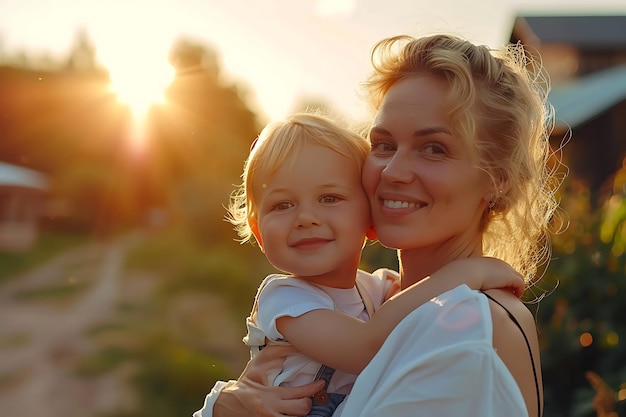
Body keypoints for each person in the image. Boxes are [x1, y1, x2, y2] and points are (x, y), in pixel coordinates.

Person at [197, 32, 563, 417]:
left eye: (433, 148)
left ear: (497, 178)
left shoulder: (465, 329)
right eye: (384, 144)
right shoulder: (388, 300)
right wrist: (224, 405)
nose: (394, 171)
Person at [205, 112, 523, 417]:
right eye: (282, 205)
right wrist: (464, 274)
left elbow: (402, 302)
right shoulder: (284, 298)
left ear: (370, 218)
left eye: (329, 198)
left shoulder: (377, 289)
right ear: (259, 231)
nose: (306, 219)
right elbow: (363, 348)